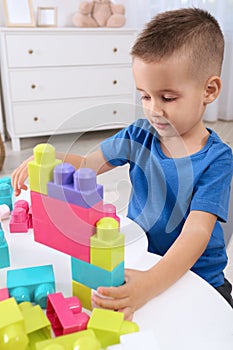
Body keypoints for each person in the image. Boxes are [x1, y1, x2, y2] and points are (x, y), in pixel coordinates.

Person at [12, 8, 233, 320]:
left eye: (167, 97)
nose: (153, 110)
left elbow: (196, 233)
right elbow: (88, 164)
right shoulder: (140, 134)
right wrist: (48, 157)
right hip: (139, 257)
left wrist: (151, 284)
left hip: (196, 278)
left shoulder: (217, 159)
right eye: (145, 96)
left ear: (208, 91)